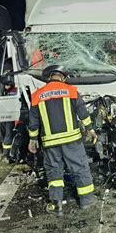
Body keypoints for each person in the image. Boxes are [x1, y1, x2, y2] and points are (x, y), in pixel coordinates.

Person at [28, 65, 97, 215]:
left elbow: (33, 122)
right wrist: (91, 129)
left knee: (54, 172)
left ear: (49, 77)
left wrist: (32, 140)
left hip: (50, 142)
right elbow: (82, 112)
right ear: (63, 78)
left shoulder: (37, 95)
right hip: (72, 140)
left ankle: (57, 205)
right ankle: (86, 201)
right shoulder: (71, 90)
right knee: (79, 168)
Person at [0, 73, 18, 163]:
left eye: (8, 84)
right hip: (2, 115)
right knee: (3, 134)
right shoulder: (1, 90)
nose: (7, 86)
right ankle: (6, 153)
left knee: (8, 134)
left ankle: (7, 154)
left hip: (10, 115)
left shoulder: (15, 90)